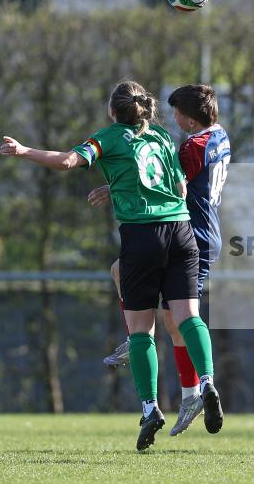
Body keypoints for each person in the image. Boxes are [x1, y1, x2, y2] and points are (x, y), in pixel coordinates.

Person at [0, 80, 224, 451]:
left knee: (140, 331)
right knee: (188, 318)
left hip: (143, 236)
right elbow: (181, 189)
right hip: (182, 232)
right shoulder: (165, 139)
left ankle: (151, 407)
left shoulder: (109, 137)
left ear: (113, 111)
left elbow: (67, 161)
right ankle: (207, 383)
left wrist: (24, 151)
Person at [95, 84, 231, 437]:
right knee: (121, 273)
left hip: (189, 231)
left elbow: (169, 185)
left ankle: (192, 392)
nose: (173, 119)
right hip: (205, 231)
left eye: (176, 113)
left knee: (178, 321)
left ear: (187, 116)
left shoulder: (192, 146)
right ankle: (145, 347)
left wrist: (117, 188)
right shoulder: (220, 136)